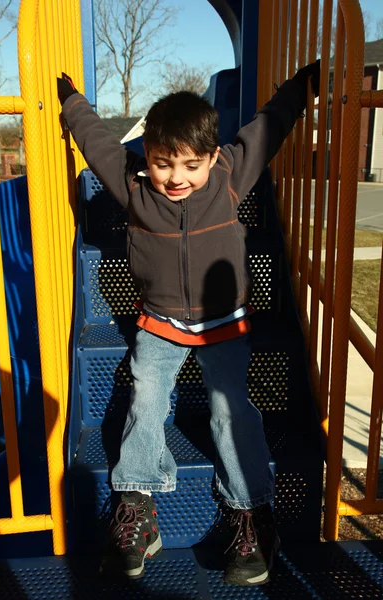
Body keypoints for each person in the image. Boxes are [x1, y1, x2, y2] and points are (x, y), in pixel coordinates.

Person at [57, 59, 320, 587]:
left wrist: (298, 89)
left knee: (231, 409)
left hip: (225, 320)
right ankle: (137, 505)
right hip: (160, 322)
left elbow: (268, 126)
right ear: (147, 158)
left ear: (213, 158)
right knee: (147, 395)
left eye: (190, 165)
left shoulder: (229, 176)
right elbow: (98, 142)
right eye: (162, 163)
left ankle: (249, 513)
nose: (176, 177)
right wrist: (71, 103)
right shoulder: (134, 188)